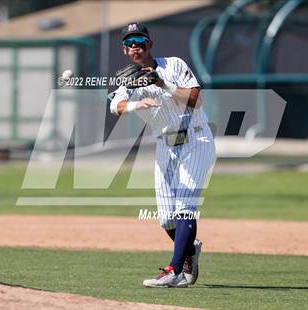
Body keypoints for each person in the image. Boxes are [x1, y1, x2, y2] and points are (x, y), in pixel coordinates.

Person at [110, 22, 216, 288]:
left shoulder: (174, 65)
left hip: (196, 138)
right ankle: (190, 251)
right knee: (166, 219)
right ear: (124, 50)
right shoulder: (127, 78)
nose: (136, 45)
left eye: (140, 40)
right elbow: (115, 106)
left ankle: (175, 270)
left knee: (184, 210)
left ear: (150, 44)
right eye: (130, 42)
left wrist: (161, 82)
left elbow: (196, 99)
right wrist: (136, 103)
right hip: (165, 146)